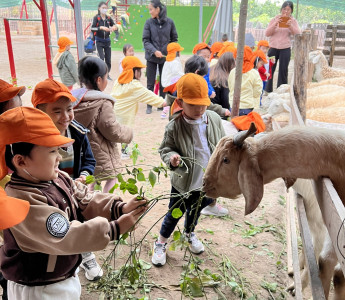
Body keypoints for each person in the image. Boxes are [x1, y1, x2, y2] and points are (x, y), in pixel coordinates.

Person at [0, 106, 146, 299]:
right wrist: (114, 229)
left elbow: (84, 198)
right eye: (52, 151)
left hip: (63, 274)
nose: (59, 157)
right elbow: (65, 235)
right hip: (38, 288)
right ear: (21, 161)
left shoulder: (56, 177)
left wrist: (119, 208)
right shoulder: (21, 200)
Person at [151, 73, 225, 266]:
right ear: (180, 102)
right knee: (174, 213)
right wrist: (172, 159)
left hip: (206, 181)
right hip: (184, 182)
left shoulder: (214, 119)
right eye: (193, 104)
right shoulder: (174, 126)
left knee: (196, 210)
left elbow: (223, 145)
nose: (200, 109)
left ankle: (190, 233)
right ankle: (160, 243)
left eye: (203, 103)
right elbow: (165, 149)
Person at [73, 56, 133, 193]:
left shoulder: (74, 100)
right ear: (99, 80)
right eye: (106, 77)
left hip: (83, 152)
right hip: (101, 153)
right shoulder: (102, 103)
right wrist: (128, 133)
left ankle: (88, 200)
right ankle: (105, 202)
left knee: (89, 178)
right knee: (111, 177)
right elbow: (112, 130)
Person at [111, 56, 166, 158]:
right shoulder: (134, 86)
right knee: (126, 133)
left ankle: (119, 151)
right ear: (133, 71)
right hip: (125, 115)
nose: (141, 73)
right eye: (139, 70)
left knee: (116, 134)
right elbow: (150, 96)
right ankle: (124, 152)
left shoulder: (118, 82)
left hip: (113, 112)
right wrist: (164, 102)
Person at [142, 0, 178, 114]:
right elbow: (145, 40)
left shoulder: (170, 22)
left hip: (165, 58)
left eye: (151, 9)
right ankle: (149, 104)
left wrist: (171, 52)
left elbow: (174, 39)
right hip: (151, 57)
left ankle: (161, 104)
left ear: (158, 9)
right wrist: (154, 51)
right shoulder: (148, 23)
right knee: (150, 82)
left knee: (164, 81)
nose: (150, 12)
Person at [265, 0, 300, 92]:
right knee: (270, 69)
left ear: (291, 11)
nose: (286, 11)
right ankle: (267, 90)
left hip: (285, 48)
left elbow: (298, 34)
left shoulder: (293, 21)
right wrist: (275, 23)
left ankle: (281, 91)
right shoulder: (274, 19)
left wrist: (291, 26)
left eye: (289, 9)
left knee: (283, 70)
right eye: (284, 9)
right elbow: (267, 33)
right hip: (273, 48)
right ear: (281, 9)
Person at [228, 46, 263, 116]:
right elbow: (258, 91)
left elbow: (230, 86)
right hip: (247, 107)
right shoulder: (254, 73)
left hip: (233, 106)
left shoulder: (232, 72)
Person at [91, 1, 116, 80]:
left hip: (107, 41)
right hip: (99, 41)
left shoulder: (108, 18)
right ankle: (100, 75)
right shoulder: (96, 18)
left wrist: (114, 27)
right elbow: (92, 28)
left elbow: (114, 25)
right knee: (101, 58)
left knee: (108, 59)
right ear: (99, 8)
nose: (105, 9)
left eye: (106, 8)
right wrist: (101, 28)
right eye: (103, 8)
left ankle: (107, 75)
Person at [161, 42, 184, 118]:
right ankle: (166, 111)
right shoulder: (175, 62)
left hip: (167, 83)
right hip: (172, 84)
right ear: (176, 52)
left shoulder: (168, 61)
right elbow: (178, 72)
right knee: (172, 99)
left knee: (168, 97)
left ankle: (164, 112)